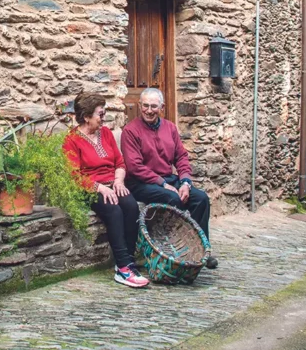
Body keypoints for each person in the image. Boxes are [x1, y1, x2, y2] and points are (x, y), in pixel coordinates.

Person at [120, 87, 218, 270]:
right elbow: (135, 167)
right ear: (140, 106)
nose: (149, 110)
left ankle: (200, 250)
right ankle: (173, 252)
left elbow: (181, 157)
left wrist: (186, 182)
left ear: (162, 107)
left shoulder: (170, 128)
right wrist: (163, 184)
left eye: (154, 106)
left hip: (167, 178)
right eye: (145, 106)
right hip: (141, 183)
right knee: (172, 198)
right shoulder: (131, 131)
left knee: (201, 199)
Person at [62, 93, 150, 288]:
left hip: (113, 183)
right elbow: (75, 176)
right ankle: (123, 268)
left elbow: (119, 161)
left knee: (131, 207)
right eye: (100, 114)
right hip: (91, 188)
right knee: (114, 210)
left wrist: (119, 181)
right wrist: (100, 188)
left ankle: (127, 262)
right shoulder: (72, 140)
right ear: (86, 117)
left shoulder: (106, 133)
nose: (103, 118)